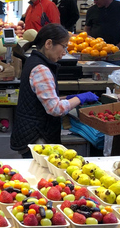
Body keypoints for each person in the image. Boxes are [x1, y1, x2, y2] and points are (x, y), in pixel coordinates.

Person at [11, 24, 99, 156]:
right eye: (63, 46)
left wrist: (69, 99)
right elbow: (55, 109)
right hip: (37, 137)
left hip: (29, 133)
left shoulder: (33, 61)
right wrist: (80, 98)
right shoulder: (41, 69)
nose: (64, 52)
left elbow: (42, 99)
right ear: (48, 43)